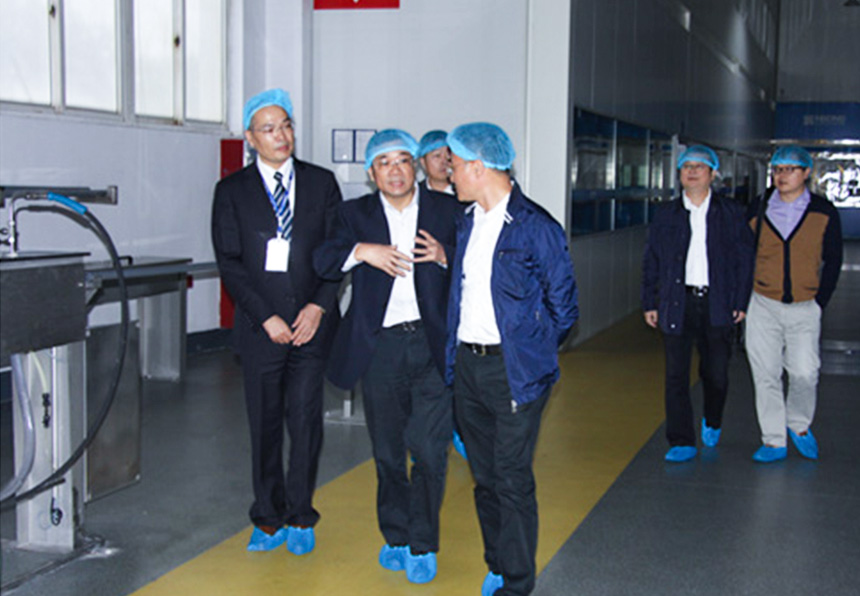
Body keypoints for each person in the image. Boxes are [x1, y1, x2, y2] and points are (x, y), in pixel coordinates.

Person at [314, 129, 460, 584]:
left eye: (402, 161)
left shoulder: (447, 209)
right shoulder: (353, 214)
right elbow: (323, 259)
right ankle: (396, 534)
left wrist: (445, 255)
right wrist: (362, 251)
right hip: (380, 347)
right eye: (384, 163)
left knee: (430, 452)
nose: (395, 171)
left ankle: (423, 543)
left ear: (414, 166)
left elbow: (478, 261)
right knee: (389, 451)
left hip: (432, 345)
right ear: (371, 173)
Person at [444, 122, 578, 596]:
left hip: (514, 372)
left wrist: (529, 352)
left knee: (512, 478)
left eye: (454, 165)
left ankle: (517, 583)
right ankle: (498, 562)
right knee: (485, 477)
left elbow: (565, 310)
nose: (449, 174)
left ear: (478, 167)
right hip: (468, 367)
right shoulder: (467, 221)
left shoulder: (537, 227)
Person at [211, 89, 341, 554]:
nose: (281, 135)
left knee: (305, 422)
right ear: (250, 138)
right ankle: (268, 516)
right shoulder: (231, 192)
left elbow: (336, 252)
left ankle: (301, 515)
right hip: (261, 328)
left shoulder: (321, 184)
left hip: (310, 326)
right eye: (268, 129)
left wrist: (318, 306)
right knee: (264, 423)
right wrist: (264, 315)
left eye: (286, 125)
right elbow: (230, 262)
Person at [641, 145, 754, 463]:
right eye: (686, 166)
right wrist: (650, 301)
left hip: (717, 302)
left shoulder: (731, 212)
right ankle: (681, 440)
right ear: (679, 173)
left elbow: (745, 261)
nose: (692, 171)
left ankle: (713, 418)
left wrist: (740, 300)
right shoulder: (666, 214)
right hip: (677, 301)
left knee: (716, 373)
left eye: (699, 166)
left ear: (713, 173)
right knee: (675, 375)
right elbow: (651, 260)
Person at [746, 145, 843, 463]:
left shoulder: (823, 211)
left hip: (804, 306)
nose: (781, 175)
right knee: (766, 373)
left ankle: (798, 424)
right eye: (777, 169)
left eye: (789, 169)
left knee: (804, 372)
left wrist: (820, 301)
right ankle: (773, 440)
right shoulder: (758, 208)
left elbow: (834, 259)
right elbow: (743, 254)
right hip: (763, 303)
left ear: (806, 172)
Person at [418, 130, 455, 195]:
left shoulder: (466, 191)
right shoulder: (415, 194)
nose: (444, 162)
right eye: (437, 156)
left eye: (449, 155)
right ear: (423, 162)